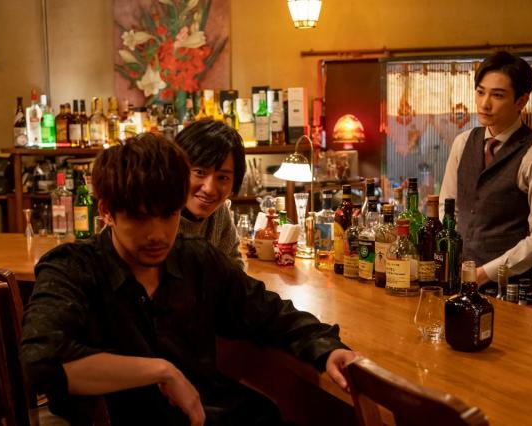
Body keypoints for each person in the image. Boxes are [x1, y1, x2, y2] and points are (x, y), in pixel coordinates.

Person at [20, 133, 356, 425]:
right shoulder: (73, 268)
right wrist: (161, 371)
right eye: (140, 217)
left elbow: (269, 313)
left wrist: (326, 349)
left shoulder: (196, 259)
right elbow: (41, 361)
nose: (157, 234)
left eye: (168, 215)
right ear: (107, 211)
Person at [439, 51, 532, 288]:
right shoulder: (462, 143)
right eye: (480, 92)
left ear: (521, 101)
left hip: (509, 287)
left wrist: (484, 273)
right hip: (455, 278)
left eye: (497, 95)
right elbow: (448, 207)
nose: (485, 103)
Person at [175, 119, 246, 268]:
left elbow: (234, 269)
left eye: (223, 177)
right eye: (200, 172)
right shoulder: (156, 216)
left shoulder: (219, 213)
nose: (209, 189)